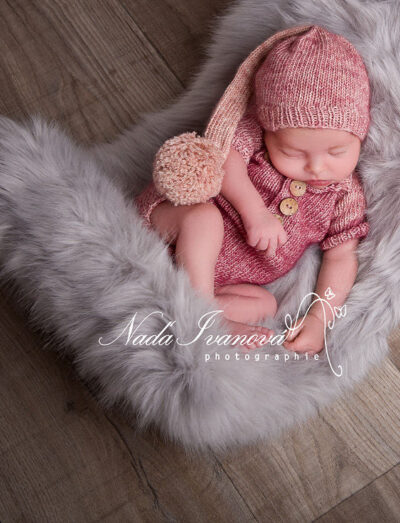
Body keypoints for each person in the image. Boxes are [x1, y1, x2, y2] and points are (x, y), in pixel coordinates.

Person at [134, 25, 370, 353]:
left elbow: (342, 256)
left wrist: (319, 319)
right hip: (171, 227)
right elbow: (224, 158)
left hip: (228, 282)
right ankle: (197, 307)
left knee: (264, 305)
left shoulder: (345, 195)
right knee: (204, 219)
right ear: (267, 128)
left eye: (336, 153)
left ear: (359, 136)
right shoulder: (254, 136)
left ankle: (203, 313)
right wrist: (253, 211)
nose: (316, 167)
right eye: (293, 152)